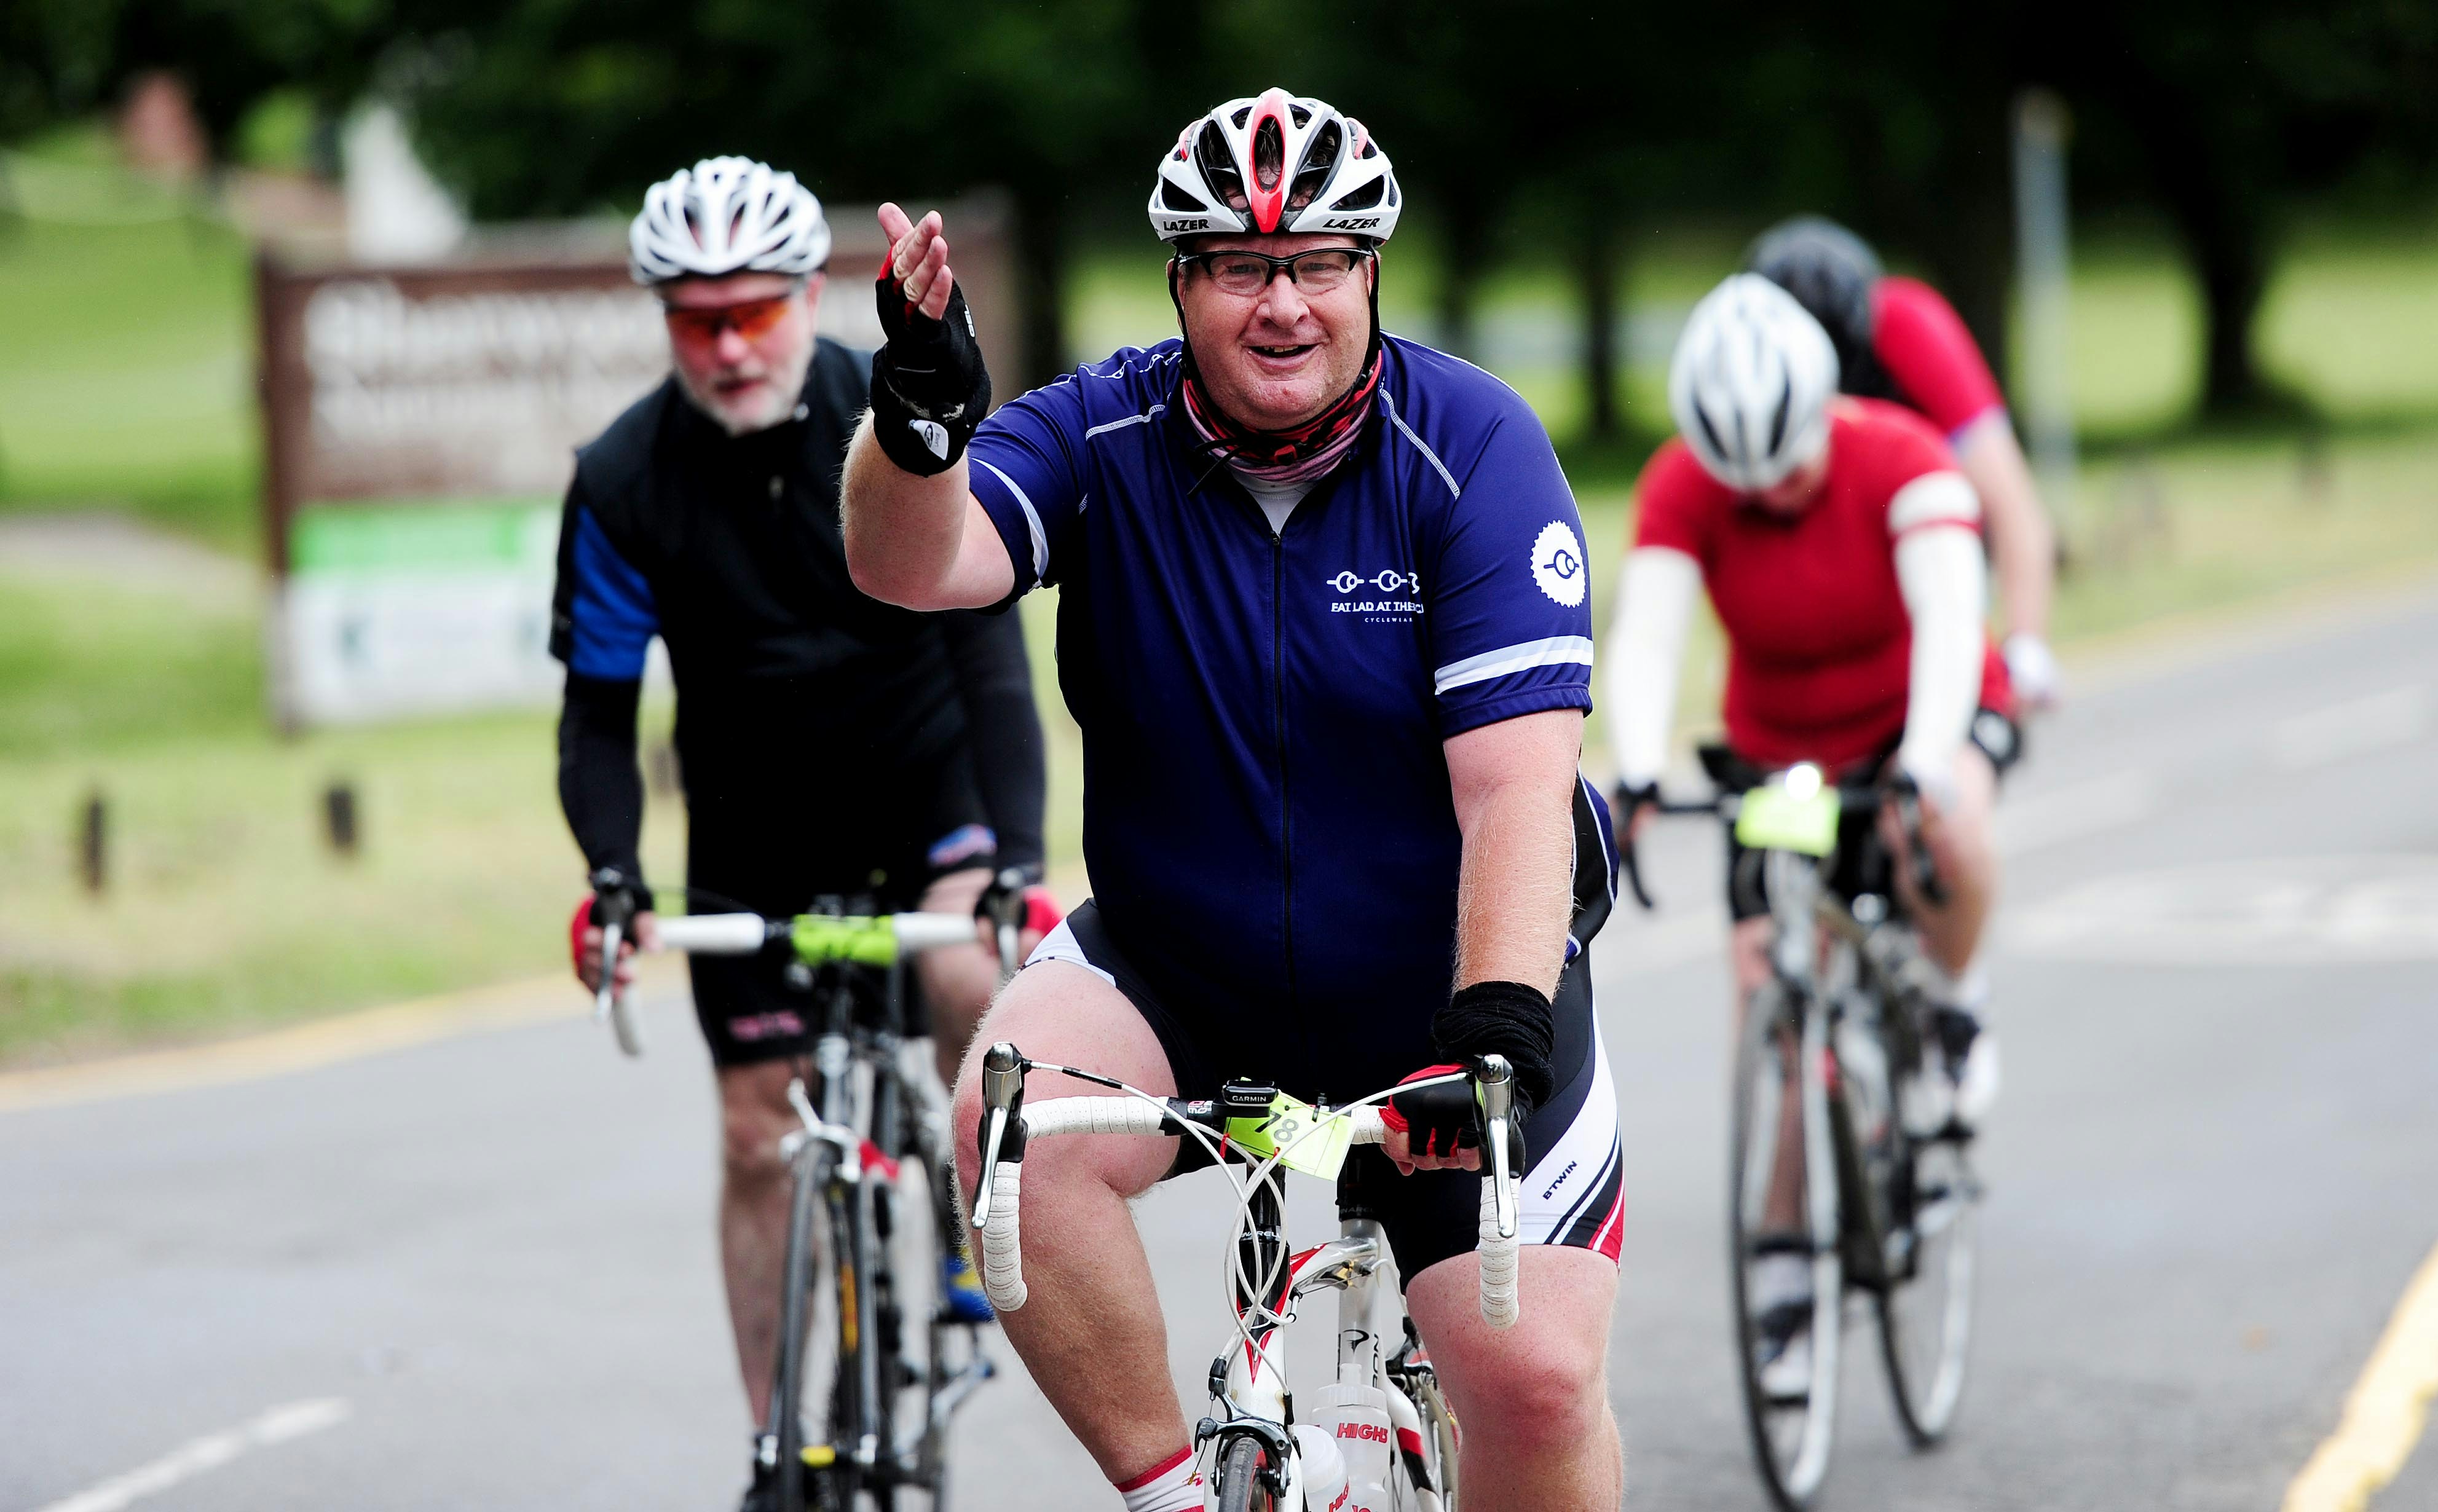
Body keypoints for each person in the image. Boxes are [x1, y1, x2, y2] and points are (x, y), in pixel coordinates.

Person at [840, 89, 1626, 1512]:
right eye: (1240, 266)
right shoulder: (1103, 432)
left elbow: (1517, 784)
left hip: (1445, 979)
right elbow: (914, 564)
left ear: (1370, 271)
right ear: (1181, 283)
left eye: (1318, 263)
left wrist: (1497, 1025)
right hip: (1182, 960)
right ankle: (1176, 1496)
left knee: (1537, 1382)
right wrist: (918, 424)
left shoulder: (1477, 449)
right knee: (1001, 1129)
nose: (1284, 304)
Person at [550, 156, 1054, 1510]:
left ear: (808, 297)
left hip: (925, 787)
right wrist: (615, 875)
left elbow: (994, 661)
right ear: (663, 318)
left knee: (964, 978)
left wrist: (1015, 861)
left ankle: (964, 1218)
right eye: (695, 318)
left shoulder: (881, 413)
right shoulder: (619, 479)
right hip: (753, 826)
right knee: (752, 1130)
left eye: (755, 313)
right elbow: (599, 714)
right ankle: (776, 1446)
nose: (727, 346)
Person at [1601, 274, 2014, 1392]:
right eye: (1744, 479)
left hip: (1914, 716)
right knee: (1770, 998)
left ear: (1823, 412)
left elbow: (1946, 621)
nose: (1770, 495)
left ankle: (1954, 1012)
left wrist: (1925, 767)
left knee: (1958, 826)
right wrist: (1635, 765)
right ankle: (1784, 1252)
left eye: (1786, 467)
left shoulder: (1904, 459)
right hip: (1780, 752)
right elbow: (1646, 633)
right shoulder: (1685, 483)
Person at [1748, 215, 2064, 711]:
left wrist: (2025, 646)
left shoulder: (1908, 324)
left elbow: (2011, 503)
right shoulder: (1742, 358)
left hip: (1930, 534)